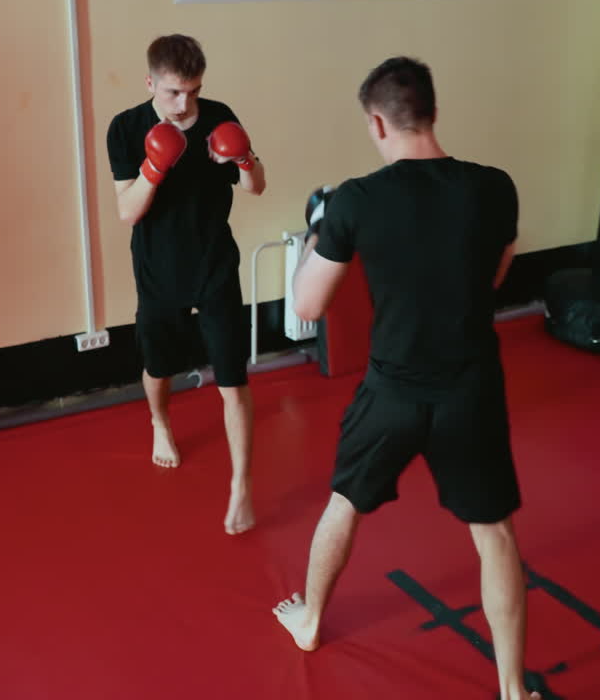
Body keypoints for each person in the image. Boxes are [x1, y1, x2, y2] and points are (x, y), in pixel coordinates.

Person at [272, 57, 540, 700]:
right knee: (495, 534)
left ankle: (310, 618)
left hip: (391, 391)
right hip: (469, 387)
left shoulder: (358, 200)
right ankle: (511, 689)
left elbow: (306, 308)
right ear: (433, 113)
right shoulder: (494, 187)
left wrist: (318, 229)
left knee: (345, 503)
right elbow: (496, 278)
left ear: (376, 122)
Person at [106, 34, 266, 535]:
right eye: (174, 92)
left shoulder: (219, 116)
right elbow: (127, 212)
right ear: (151, 82)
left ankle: (241, 488)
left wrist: (241, 161)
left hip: (216, 264)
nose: (185, 104)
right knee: (159, 366)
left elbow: (257, 185)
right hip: (159, 269)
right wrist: (154, 166)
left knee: (234, 380)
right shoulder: (127, 128)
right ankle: (160, 421)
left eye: (193, 91)